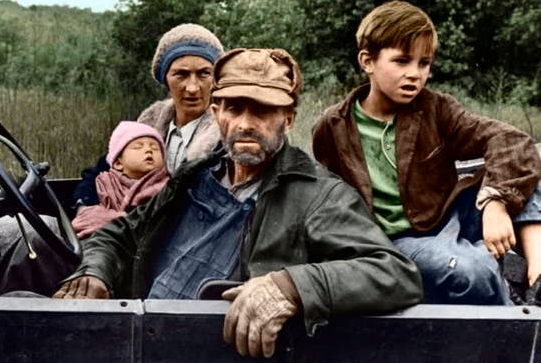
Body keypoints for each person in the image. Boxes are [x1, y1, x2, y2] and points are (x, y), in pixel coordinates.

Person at [53, 48, 423, 358]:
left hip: (210, 349)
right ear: (217, 113)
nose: (246, 123)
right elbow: (121, 232)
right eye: (234, 108)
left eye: (262, 111)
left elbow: (394, 273)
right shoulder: (193, 177)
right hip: (139, 333)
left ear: (288, 119)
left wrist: (291, 285)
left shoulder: (317, 193)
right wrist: (94, 271)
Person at [312, 0, 541, 305]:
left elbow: (510, 140)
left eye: (424, 63)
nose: (415, 74)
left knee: (524, 162)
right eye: (402, 61)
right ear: (367, 61)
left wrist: (495, 201)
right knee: (473, 271)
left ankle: (537, 271)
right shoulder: (333, 127)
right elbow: (329, 202)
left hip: (448, 216)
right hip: (396, 241)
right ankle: (514, 311)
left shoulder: (435, 107)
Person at [71, 23, 224, 212]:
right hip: (121, 229)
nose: (192, 87)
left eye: (204, 74)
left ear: (216, 80)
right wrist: (84, 207)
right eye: (181, 75)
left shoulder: (224, 138)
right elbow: (101, 170)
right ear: (165, 80)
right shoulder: (148, 124)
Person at [72, 121, 169, 239]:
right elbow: (87, 214)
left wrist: (112, 221)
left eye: (155, 148)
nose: (149, 150)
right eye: (138, 147)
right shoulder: (104, 183)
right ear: (118, 163)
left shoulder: (167, 188)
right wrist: (86, 211)